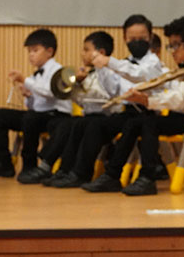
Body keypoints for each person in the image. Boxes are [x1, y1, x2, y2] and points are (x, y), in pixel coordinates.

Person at [83, 16, 184, 196]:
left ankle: (148, 177)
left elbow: (181, 97)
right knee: (134, 122)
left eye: (175, 45)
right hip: (182, 118)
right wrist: (145, 92)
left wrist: (147, 100)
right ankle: (112, 175)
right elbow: (167, 86)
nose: (172, 51)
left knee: (150, 123)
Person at [69, 14, 163, 184]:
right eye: (132, 39)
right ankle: (80, 173)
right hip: (128, 111)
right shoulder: (124, 63)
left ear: (150, 38)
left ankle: (114, 175)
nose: (137, 42)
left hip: (147, 112)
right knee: (95, 125)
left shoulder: (153, 62)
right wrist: (101, 67)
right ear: (125, 39)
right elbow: (114, 91)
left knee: (132, 125)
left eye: (142, 38)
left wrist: (109, 62)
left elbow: (139, 75)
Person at [0, 29, 71, 180]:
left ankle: (29, 166)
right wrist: (29, 96)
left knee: (31, 118)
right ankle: (4, 163)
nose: (31, 55)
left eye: (35, 50)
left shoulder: (59, 71)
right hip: (39, 115)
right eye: (29, 51)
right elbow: (34, 106)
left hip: (56, 116)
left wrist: (25, 80)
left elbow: (51, 92)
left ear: (49, 51)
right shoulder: (35, 75)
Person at [40, 31, 123, 187]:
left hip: (108, 117)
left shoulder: (111, 72)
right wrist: (75, 85)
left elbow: (106, 96)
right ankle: (64, 169)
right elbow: (84, 102)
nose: (82, 54)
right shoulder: (89, 73)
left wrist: (82, 83)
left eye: (86, 49)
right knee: (69, 123)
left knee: (87, 124)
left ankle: (81, 173)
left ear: (101, 52)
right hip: (92, 116)